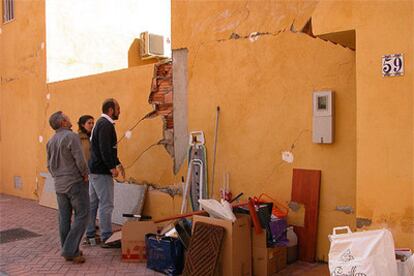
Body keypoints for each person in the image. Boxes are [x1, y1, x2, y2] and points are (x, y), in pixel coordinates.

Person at [46, 111, 89, 263]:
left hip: (59, 184)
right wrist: (85, 174)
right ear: (63, 122)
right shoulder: (71, 136)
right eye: (67, 117)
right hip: (74, 182)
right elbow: (80, 160)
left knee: (64, 218)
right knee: (83, 215)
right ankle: (70, 250)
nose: (70, 118)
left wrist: (58, 176)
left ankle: (70, 249)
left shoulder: (51, 141)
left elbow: (49, 165)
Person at [86, 98, 125, 247]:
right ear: (111, 110)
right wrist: (111, 167)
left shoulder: (101, 124)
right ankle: (107, 237)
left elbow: (108, 147)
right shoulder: (105, 125)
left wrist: (117, 162)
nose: (119, 111)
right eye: (118, 108)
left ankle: (90, 233)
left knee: (93, 203)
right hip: (101, 171)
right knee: (106, 204)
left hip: (95, 170)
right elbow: (105, 148)